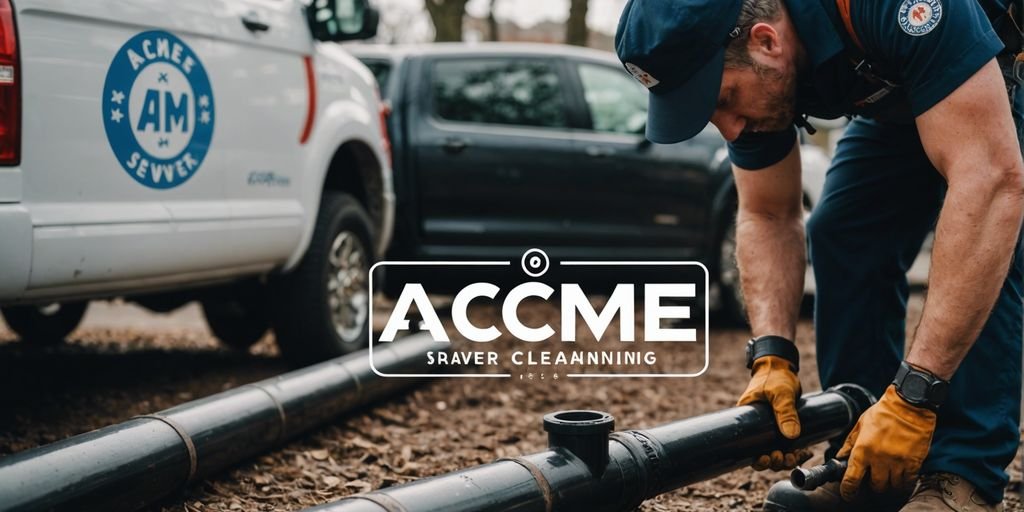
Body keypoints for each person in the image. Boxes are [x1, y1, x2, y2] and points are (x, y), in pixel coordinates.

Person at [615, 0, 1024, 510]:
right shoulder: (756, 67)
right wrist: (771, 357)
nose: (729, 129)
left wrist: (914, 398)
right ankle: (867, 458)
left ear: (768, 42)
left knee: (985, 233)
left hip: (996, 58)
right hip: (897, 78)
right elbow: (766, 212)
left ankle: (961, 474)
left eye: (723, 99)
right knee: (842, 231)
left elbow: (989, 183)